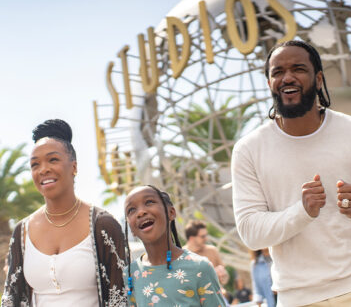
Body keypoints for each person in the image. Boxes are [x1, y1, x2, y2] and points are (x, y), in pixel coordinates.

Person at [232, 40, 351, 306]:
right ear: (269, 83)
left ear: (319, 79)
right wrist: (303, 212)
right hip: (299, 297)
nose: (287, 77)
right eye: (277, 72)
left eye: (298, 69)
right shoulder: (248, 150)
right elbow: (251, 232)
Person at [1, 119, 126, 307]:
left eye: (53, 160)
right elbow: (11, 298)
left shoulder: (103, 225)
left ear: (74, 167)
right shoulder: (22, 231)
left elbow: (120, 297)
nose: (43, 169)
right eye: (35, 164)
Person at [124, 185, 226, 306]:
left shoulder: (200, 267)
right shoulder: (129, 276)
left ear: (171, 212)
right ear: (131, 229)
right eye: (131, 210)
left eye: (149, 202)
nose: (141, 212)